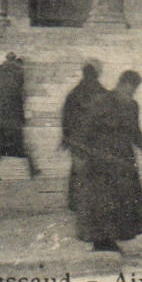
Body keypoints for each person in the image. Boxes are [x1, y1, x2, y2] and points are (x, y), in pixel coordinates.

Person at [73, 70, 142, 252]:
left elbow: (135, 131)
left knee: (122, 202)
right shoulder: (102, 102)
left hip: (124, 161)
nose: (131, 93)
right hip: (102, 161)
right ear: (121, 84)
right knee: (102, 202)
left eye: (134, 90)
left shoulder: (132, 106)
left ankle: (111, 239)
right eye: (129, 88)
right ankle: (101, 241)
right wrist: (80, 154)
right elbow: (84, 129)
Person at [0, 53, 39, 180]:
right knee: (16, 145)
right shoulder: (18, 72)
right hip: (12, 116)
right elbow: (20, 94)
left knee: (4, 146)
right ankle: (33, 169)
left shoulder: (1, 69)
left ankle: (33, 169)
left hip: (0, 114)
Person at [59, 61, 106, 210]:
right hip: (95, 139)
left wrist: (66, 136)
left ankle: (75, 201)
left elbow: (66, 116)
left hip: (78, 138)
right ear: (97, 74)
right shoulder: (102, 92)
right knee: (95, 168)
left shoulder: (74, 93)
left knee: (78, 169)